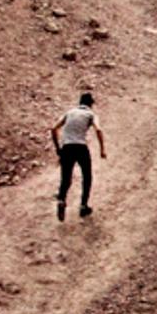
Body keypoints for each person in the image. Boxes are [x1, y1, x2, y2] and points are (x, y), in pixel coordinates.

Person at [53, 90, 104, 221]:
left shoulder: (69, 112)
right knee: (87, 176)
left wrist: (58, 149)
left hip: (67, 147)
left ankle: (62, 200)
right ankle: (83, 206)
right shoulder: (91, 114)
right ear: (90, 104)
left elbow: (54, 129)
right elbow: (98, 129)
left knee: (66, 178)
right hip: (81, 147)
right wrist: (102, 149)